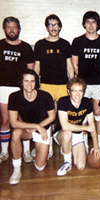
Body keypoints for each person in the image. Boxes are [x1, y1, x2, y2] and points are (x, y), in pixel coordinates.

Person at [34, 14, 74, 158]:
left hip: (63, 85)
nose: (53, 27)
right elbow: (37, 67)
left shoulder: (65, 44)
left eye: (56, 24)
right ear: (46, 27)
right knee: (48, 117)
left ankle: (65, 144)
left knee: (63, 116)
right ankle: (48, 146)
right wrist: (35, 84)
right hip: (45, 85)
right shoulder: (40, 44)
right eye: (50, 25)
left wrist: (72, 83)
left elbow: (69, 66)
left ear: (60, 27)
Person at [72, 11, 100, 152]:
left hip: (99, 83)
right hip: (83, 84)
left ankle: (98, 143)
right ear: (84, 24)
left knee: (98, 114)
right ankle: (83, 144)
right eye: (88, 22)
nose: (90, 25)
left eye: (93, 22)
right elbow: (75, 65)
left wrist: (98, 76)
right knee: (83, 113)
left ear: (97, 24)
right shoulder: (77, 41)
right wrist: (81, 81)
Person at [8, 69, 55, 185]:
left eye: (32, 81)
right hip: (28, 128)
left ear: (36, 82)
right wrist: (35, 126)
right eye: (26, 81)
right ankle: (17, 168)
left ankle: (38, 149)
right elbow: (13, 122)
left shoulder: (45, 96)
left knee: (40, 167)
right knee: (15, 133)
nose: (29, 84)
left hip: (43, 128)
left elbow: (52, 117)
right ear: (22, 82)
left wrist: (39, 127)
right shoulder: (14, 97)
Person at [0, 16, 35, 164]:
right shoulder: (0, 45)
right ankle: (4, 151)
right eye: (8, 27)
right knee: (6, 119)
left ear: (19, 29)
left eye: (14, 27)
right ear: (4, 29)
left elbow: (31, 72)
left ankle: (26, 151)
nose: (11, 30)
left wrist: (28, 88)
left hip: (20, 89)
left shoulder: (26, 47)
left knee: (22, 120)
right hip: (3, 87)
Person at [53, 77, 100, 176]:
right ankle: (67, 162)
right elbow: (65, 126)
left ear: (84, 92)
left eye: (80, 91)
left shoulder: (87, 102)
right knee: (67, 134)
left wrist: (96, 145)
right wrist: (86, 128)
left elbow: (92, 125)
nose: (77, 94)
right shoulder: (63, 101)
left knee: (81, 166)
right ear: (69, 91)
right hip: (62, 134)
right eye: (74, 91)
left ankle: (69, 149)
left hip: (77, 134)